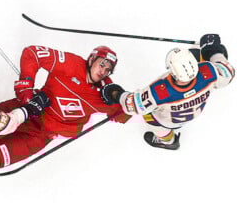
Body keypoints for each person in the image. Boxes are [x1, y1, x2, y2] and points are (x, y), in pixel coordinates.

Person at [0, 43, 130, 184]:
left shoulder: (106, 95)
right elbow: (33, 53)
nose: (103, 71)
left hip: (41, 135)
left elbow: (127, 111)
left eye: (108, 70)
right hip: (30, 105)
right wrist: (26, 90)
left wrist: (131, 102)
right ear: (92, 59)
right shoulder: (71, 63)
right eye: (102, 64)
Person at [100, 34, 233, 150]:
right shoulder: (210, 72)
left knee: (151, 119)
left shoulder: (158, 92)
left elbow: (133, 105)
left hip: (165, 121)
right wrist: (213, 51)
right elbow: (228, 71)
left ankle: (168, 141)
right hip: (195, 112)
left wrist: (116, 94)